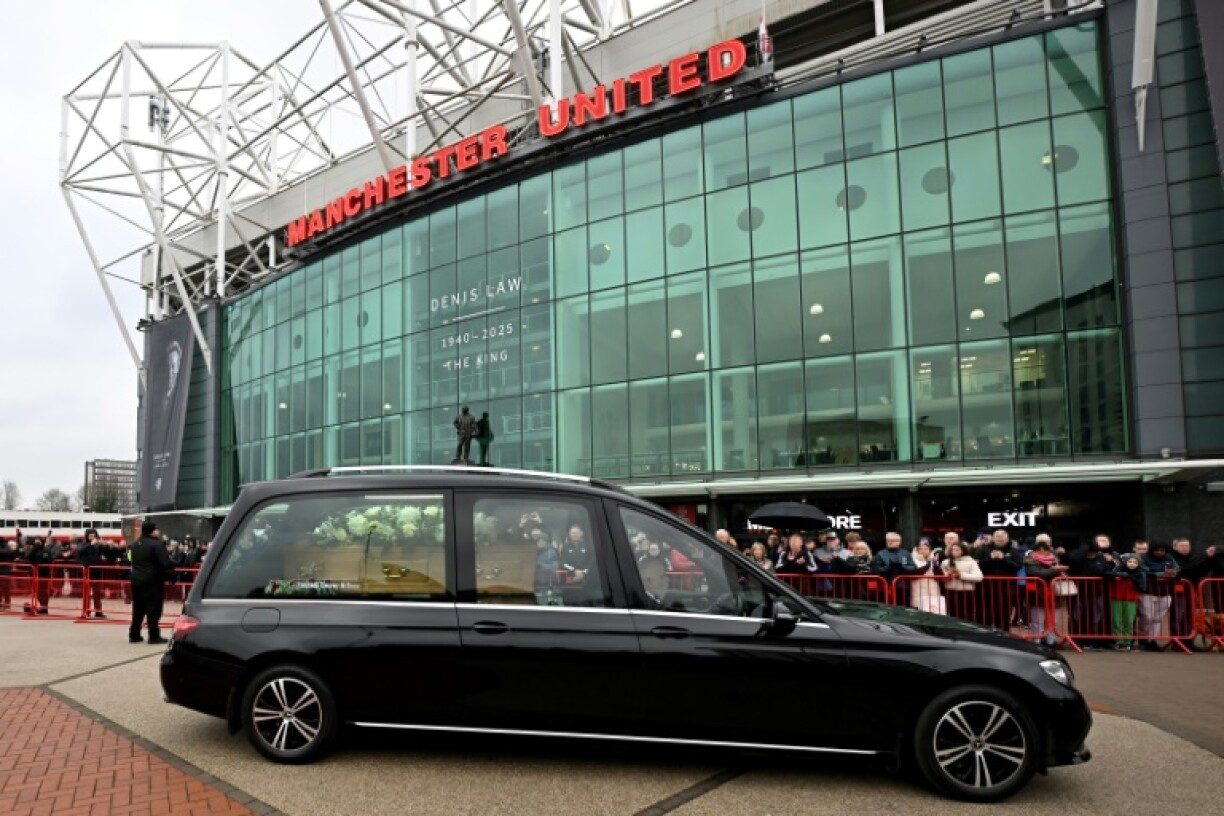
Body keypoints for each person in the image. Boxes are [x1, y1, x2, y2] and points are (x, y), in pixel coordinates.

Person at [129, 521, 173, 644]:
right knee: (153, 608)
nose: (159, 531)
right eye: (156, 529)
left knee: (138, 608)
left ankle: (134, 634)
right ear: (151, 531)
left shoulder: (135, 544)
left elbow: (130, 559)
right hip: (152, 580)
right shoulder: (157, 544)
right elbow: (165, 562)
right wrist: (171, 575)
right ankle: (153, 635)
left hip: (136, 579)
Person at [977, 530, 1023, 631]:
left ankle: (1004, 634)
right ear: (993, 538)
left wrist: (1004, 559)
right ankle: (986, 634)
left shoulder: (1013, 551)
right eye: (997, 538)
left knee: (1004, 613)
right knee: (987, 612)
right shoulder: (984, 549)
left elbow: (1018, 566)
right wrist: (990, 558)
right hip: (987, 587)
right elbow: (978, 564)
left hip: (1006, 587)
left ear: (1007, 539)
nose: (1000, 540)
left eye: (1002, 539)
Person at [1022, 536, 1064, 646]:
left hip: (1054, 594)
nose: (1042, 551)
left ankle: (1050, 642)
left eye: (1045, 548)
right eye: (1039, 548)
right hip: (1037, 595)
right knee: (1037, 621)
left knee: (1052, 621)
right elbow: (1038, 573)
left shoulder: (1055, 560)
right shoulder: (1030, 560)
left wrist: (1058, 570)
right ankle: (1036, 641)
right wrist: (1054, 570)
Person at [1138, 540, 1179, 652]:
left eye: (1162, 550)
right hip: (1148, 592)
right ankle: (1143, 637)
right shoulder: (1144, 558)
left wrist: (1172, 573)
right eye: (1157, 550)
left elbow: (1177, 569)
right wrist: (1162, 574)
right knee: (1147, 616)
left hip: (1165, 592)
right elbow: (1144, 571)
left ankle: (1151, 640)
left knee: (1157, 619)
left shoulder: (1169, 558)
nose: (1159, 553)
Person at [1109, 551, 1146, 651]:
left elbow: (1143, 587)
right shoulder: (1117, 570)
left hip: (1131, 599)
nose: (1132, 564)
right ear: (1126, 562)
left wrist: (1132, 579)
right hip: (1117, 598)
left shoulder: (1140, 573)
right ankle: (1119, 641)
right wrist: (1123, 575)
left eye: (1135, 562)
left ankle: (1128, 641)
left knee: (1129, 620)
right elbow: (1109, 574)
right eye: (1130, 561)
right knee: (1117, 620)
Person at [943, 541, 983, 623]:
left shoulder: (971, 562)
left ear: (963, 551)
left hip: (966, 592)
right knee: (952, 614)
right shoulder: (945, 562)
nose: (954, 552)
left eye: (957, 550)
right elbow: (940, 576)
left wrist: (961, 575)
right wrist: (948, 575)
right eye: (953, 550)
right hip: (950, 591)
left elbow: (979, 577)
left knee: (967, 615)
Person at [77, 529, 108, 619]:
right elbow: (80, 550)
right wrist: (91, 544)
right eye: (90, 535)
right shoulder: (83, 544)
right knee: (86, 593)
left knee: (97, 593)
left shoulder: (97, 545)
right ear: (87, 536)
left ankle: (98, 611)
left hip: (96, 571)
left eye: (94, 535)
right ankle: (85, 611)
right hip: (87, 571)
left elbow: (106, 551)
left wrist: (105, 544)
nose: (92, 537)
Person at [909, 539, 945, 615]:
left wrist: (935, 565)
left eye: (926, 549)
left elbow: (940, 577)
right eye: (920, 549)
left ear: (929, 550)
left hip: (933, 591)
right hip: (918, 590)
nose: (923, 551)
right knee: (918, 611)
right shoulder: (913, 560)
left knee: (934, 612)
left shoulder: (934, 560)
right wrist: (927, 565)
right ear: (917, 550)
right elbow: (915, 573)